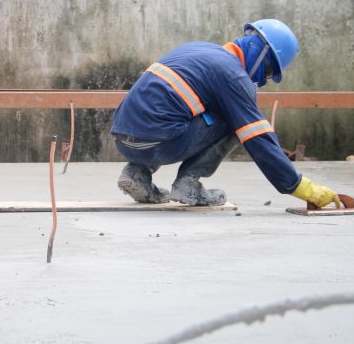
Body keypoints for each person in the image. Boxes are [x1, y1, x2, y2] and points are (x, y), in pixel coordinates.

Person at [110, 18, 341, 208]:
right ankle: (188, 185)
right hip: (159, 145)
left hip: (122, 140)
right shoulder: (233, 76)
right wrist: (299, 186)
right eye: (269, 71)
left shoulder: (198, 49)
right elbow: (258, 137)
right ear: (262, 55)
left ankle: (136, 173)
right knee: (238, 120)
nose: (264, 79)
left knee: (171, 110)